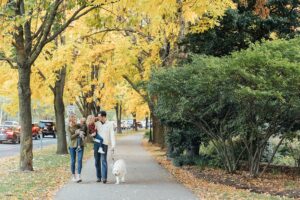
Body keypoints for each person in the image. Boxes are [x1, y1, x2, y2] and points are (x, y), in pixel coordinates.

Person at [92, 111, 116, 183]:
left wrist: (113, 145)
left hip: (104, 144)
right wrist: (95, 118)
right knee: (97, 161)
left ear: (104, 116)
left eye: (99, 116)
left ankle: (104, 178)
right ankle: (98, 177)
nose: (98, 117)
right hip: (96, 143)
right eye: (98, 116)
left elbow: (112, 135)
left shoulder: (110, 124)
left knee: (103, 160)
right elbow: (90, 121)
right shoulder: (97, 123)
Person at [68, 115, 86, 183]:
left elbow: (84, 127)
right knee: (73, 161)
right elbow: (70, 137)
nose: (75, 120)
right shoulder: (68, 127)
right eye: (73, 119)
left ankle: (79, 175)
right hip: (72, 145)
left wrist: (83, 122)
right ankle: (73, 176)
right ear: (70, 119)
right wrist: (77, 133)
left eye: (75, 118)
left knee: (80, 160)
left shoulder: (78, 125)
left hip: (80, 145)